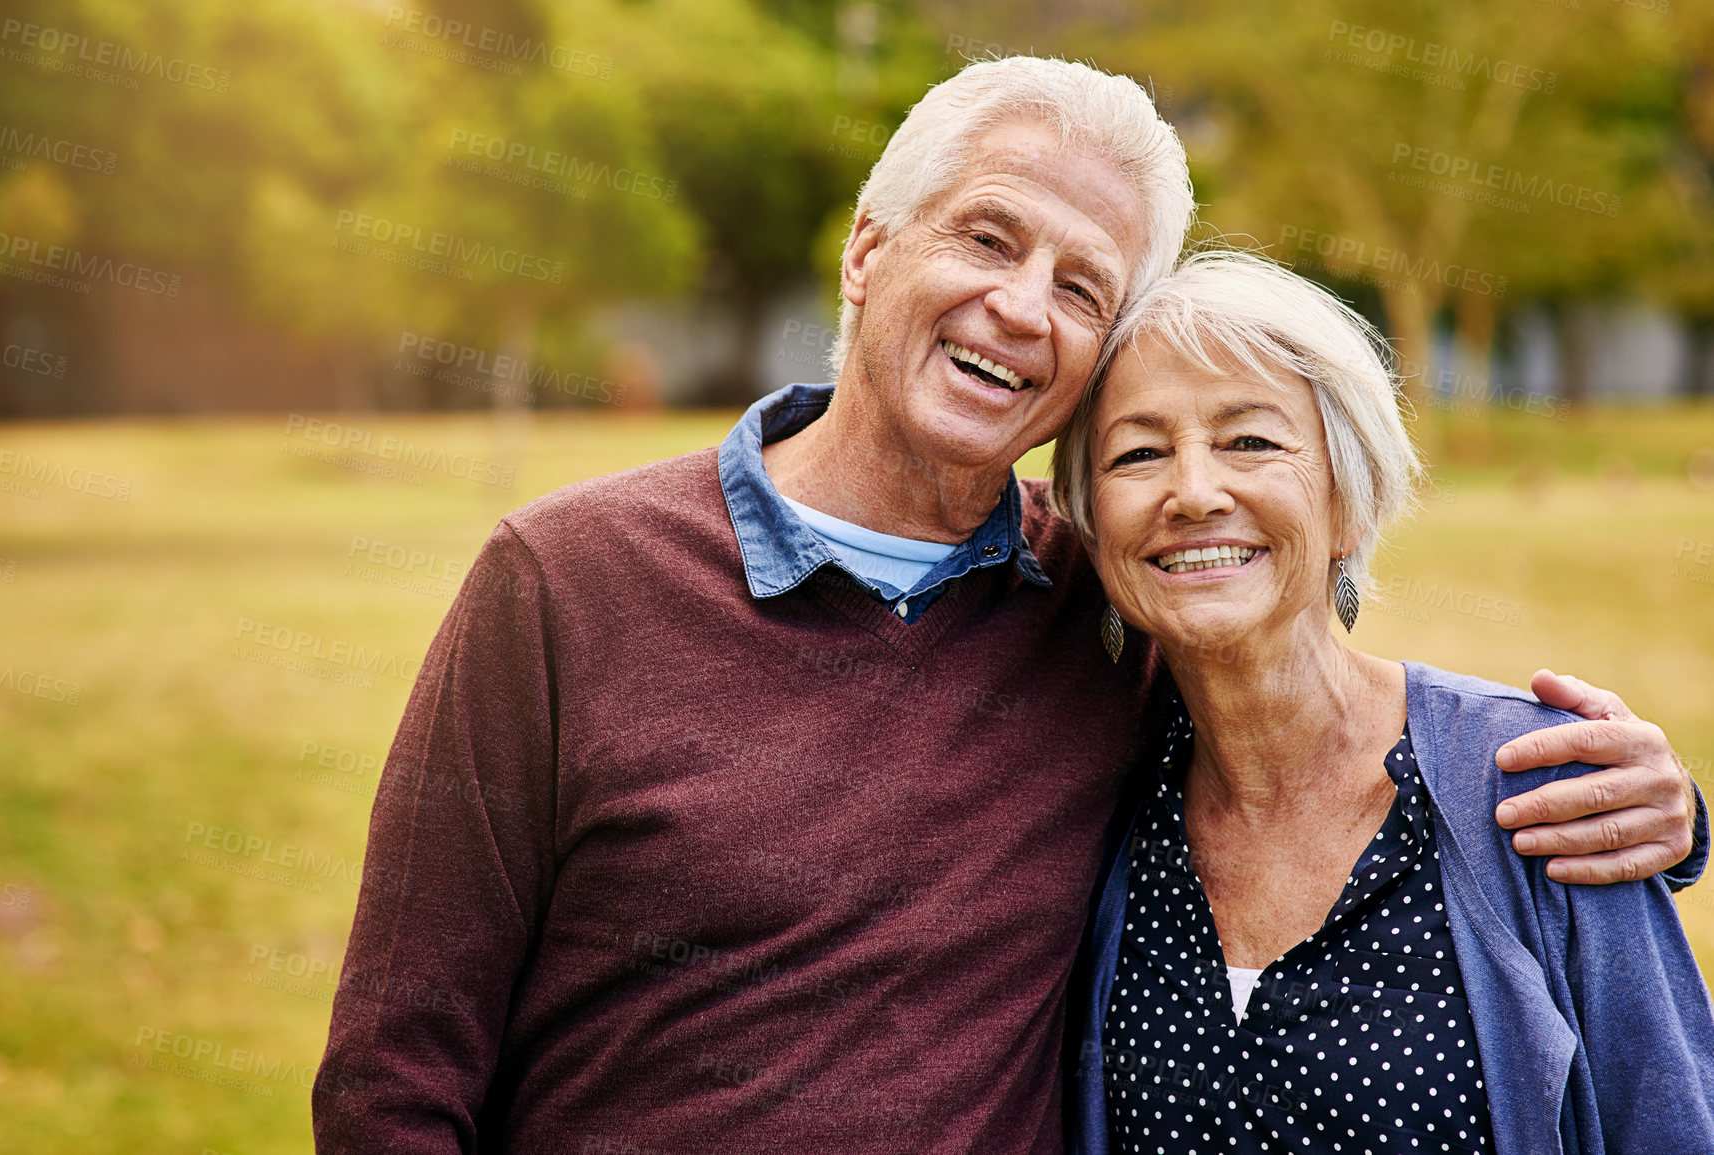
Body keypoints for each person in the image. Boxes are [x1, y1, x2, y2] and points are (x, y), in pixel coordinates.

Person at [313, 58, 1705, 1153]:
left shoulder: (1096, 611)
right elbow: (396, 1070)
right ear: (866, 250)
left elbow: (1301, 696)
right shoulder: (561, 581)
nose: (1017, 306)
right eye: (986, 236)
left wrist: (1656, 809)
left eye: (1080, 286)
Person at [1057, 252, 1714, 1154]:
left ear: (1347, 504)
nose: (1194, 492)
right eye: (1138, 453)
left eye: (1250, 440)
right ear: (1090, 530)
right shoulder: (1094, 804)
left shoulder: (1537, 787)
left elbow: (1670, 1121)